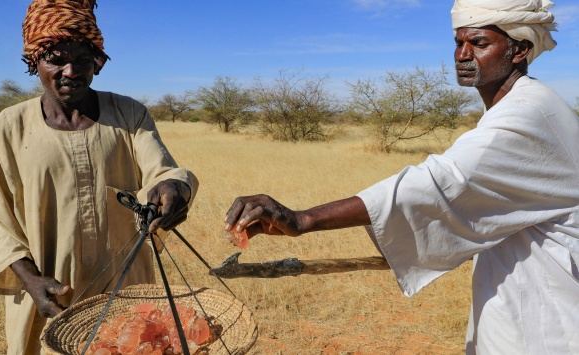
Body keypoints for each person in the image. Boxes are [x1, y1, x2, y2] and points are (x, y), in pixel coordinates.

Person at [224, 0, 579, 353]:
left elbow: (441, 181)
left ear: (520, 50)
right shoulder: (520, 105)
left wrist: (303, 219)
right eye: (459, 43)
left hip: (545, 317)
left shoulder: (527, 114)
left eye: (480, 44)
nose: (462, 55)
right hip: (518, 298)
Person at [0, 1, 198, 354]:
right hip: (50, 298)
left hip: (127, 289)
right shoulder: (6, 129)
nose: (70, 71)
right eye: (56, 59)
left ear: (97, 60)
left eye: (81, 59)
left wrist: (173, 186)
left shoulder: (129, 114)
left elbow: (163, 171)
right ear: (35, 62)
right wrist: (30, 281)